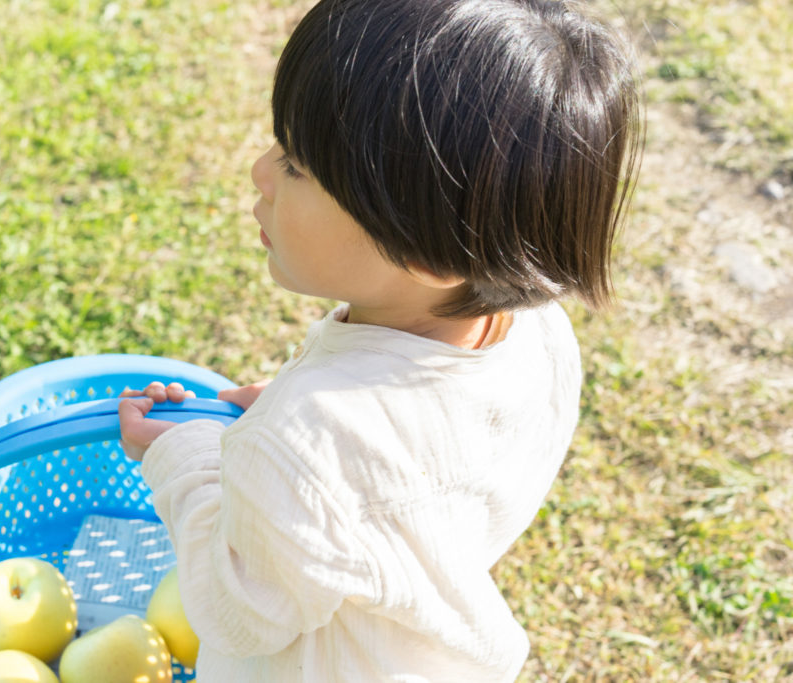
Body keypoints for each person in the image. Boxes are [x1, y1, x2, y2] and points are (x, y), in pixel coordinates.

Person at [119, 0, 641, 679]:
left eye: (299, 166)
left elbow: (234, 609)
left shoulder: (312, 434)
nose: (259, 170)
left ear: (427, 251)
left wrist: (187, 456)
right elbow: (416, 460)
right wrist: (299, 461)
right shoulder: (539, 338)